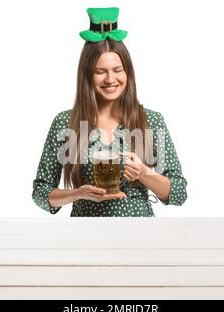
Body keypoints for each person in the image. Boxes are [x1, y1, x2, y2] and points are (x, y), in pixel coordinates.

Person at [32, 7, 187, 217]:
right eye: (100, 72)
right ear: (87, 76)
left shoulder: (150, 120)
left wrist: (144, 172)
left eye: (117, 70)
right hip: (85, 235)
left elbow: (178, 193)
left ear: (128, 73)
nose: (110, 79)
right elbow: (41, 192)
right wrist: (78, 194)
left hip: (140, 236)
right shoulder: (66, 123)